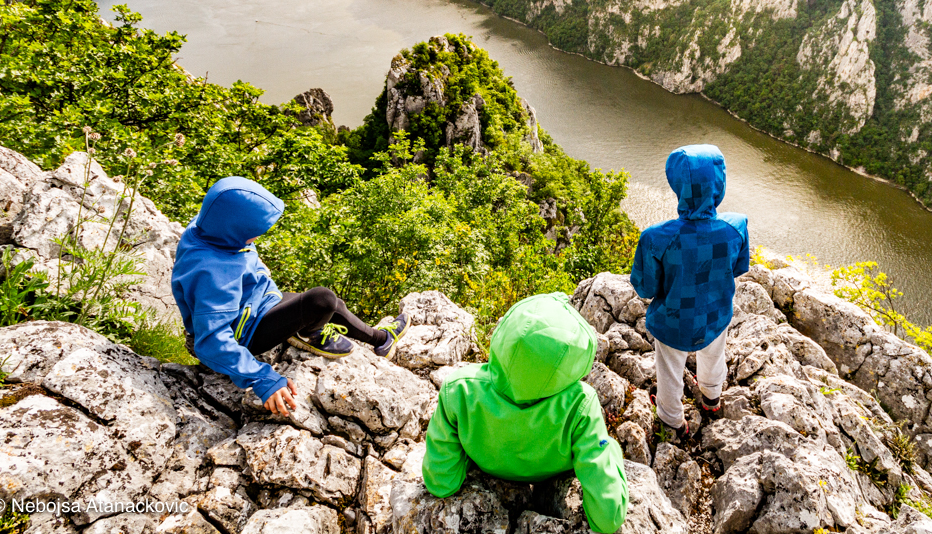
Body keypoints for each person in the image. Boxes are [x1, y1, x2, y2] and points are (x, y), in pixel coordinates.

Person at [171, 176, 406, 417]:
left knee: (333, 305)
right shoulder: (210, 272)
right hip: (240, 335)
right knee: (321, 300)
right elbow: (211, 341)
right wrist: (263, 378)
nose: (258, 237)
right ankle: (308, 334)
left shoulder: (212, 227)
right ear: (234, 230)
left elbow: (245, 258)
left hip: (254, 306)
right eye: (253, 233)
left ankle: (381, 339)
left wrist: (261, 274)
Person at [422, 292, 628, 534]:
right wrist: (611, 451)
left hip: (488, 467)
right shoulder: (580, 403)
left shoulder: (458, 389)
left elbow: (440, 482)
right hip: (550, 473)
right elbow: (609, 516)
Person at [630, 144, 749, 435]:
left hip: (674, 320)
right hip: (716, 313)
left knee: (670, 370)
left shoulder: (657, 238)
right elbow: (737, 268)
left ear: (677, 185)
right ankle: (711, 397)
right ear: (719, 184)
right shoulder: (737, 226)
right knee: (713, 355)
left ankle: (672, 421)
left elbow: (644, 287)